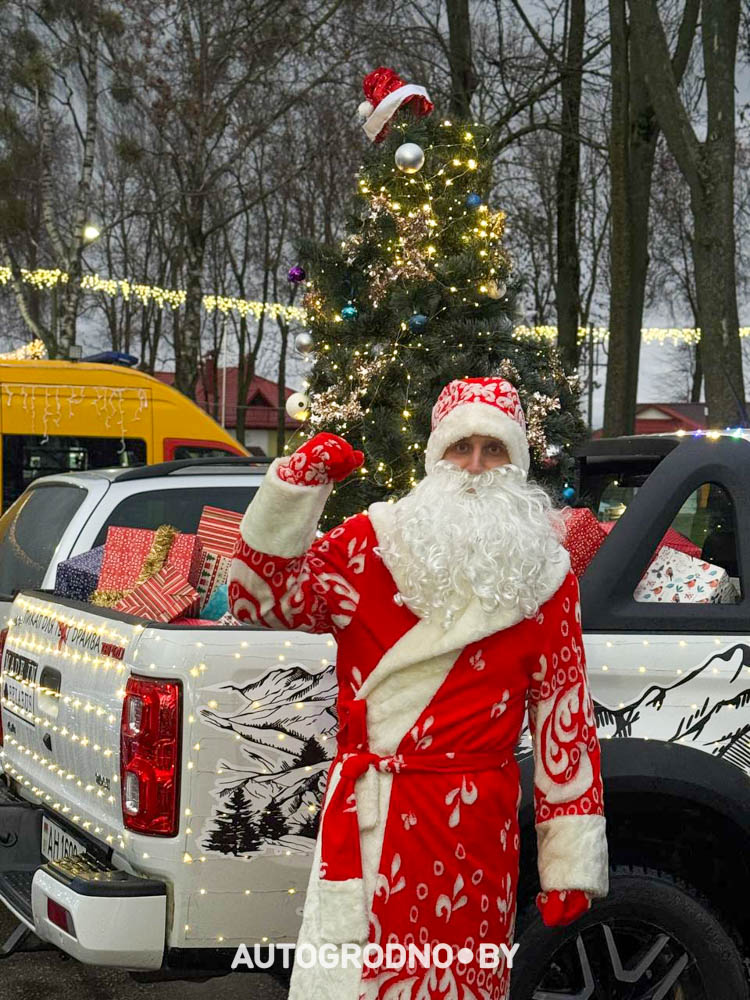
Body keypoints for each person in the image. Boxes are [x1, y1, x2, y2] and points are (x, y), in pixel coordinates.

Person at [228, 375, 608, 1000]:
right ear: (435, 458)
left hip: (476, 831)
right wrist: (294, 491)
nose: (476, 467)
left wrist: (568, 860)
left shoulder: (545, 576)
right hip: (373, 816)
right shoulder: (366, 546)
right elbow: (256, 603)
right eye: (462, 448)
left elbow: (562, 715)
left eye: (495, 450)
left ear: (517, 463)